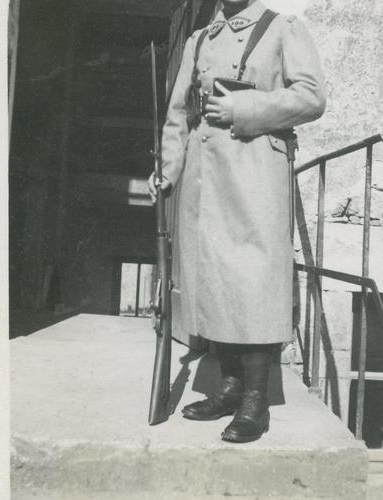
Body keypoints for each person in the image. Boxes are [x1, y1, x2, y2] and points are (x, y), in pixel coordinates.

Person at [149, 0, 325, 443]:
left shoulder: (284, 28)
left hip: (256, 174)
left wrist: (242, 109)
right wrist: (168, 171)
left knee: (253, 281)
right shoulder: (198, 39)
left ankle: (255, 402)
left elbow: (311, 96)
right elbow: (177, 115)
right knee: (215, 276)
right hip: (205, 178)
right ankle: (228, 389)